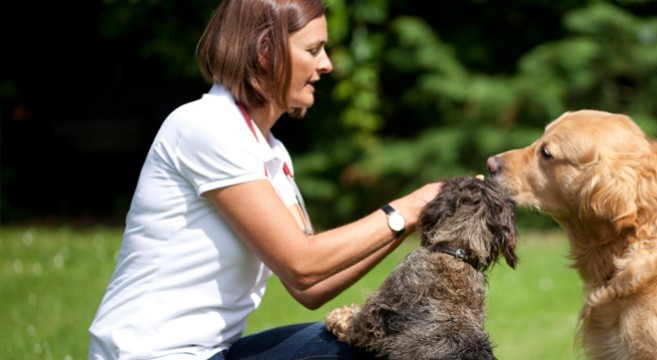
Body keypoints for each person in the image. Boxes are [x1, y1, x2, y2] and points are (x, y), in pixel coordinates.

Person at [87, 0, 442, 358]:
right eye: (313, 49)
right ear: (264, 53)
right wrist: (407, 208)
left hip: (212, 352)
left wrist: (409, 223)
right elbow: (303, 264)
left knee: (366, 343)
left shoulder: (271, 152)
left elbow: (309, 288)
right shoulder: (206, 126)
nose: (327, 64)